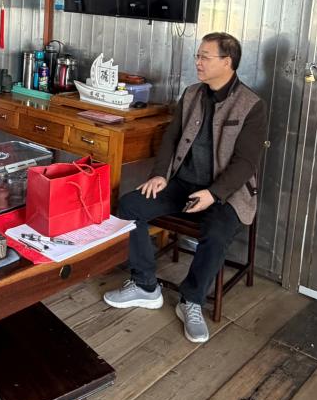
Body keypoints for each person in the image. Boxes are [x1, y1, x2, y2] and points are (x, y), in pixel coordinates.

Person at [103, 32, 267, 343]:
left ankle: (191, 301)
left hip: (226, 193)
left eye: (205, 56)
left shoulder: (251, 105)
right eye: (197, 55)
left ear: (227, 62)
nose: (198, 62)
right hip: (182, 184)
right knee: (130, 205)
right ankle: (145, 286)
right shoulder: (192, 94)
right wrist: (160, 174)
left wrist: (213, 194)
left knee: (217, 233)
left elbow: (246, 163)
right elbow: (172, 138)